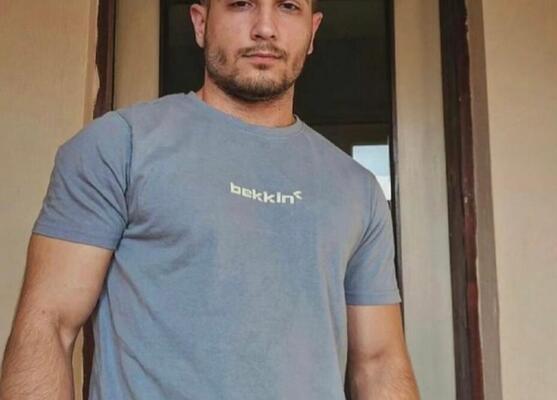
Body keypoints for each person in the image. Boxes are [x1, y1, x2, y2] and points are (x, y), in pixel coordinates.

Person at [0, 0, 420, 398]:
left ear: (312, 32)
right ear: (200, 23)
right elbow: (48, 325)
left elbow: (380, 363)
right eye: (240, 4)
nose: (265, 28)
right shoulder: (119, 145)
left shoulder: (356, 188)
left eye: (288, 6)